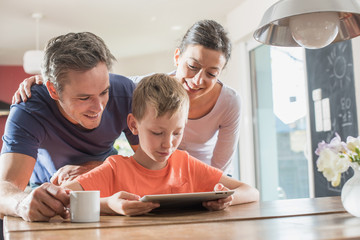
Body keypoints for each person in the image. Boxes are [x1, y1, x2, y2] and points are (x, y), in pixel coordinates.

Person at [14, 20, 240, 176]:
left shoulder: (229, 103)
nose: (199, 80)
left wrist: (211, 187)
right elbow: (98, 81)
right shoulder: (142, 89)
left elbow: (219, 168)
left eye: (211, 74)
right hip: (157, 170)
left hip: (199, 173)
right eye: (192, 66)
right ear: (177, 57)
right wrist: (46, 79)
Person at [63, 73, 259, 216]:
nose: (168, 144)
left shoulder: (185, 164)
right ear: (133, 125)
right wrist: (108, 205)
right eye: (157, 133)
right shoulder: (115, 169)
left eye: (177, 132)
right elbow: (63, 199)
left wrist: (227, 199)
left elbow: (251, 191)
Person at [0, 32, 138, 222]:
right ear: (53, 90)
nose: (99, 107)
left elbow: (155, 166)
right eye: (84, 97)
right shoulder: (29, 108)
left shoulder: (125, 92)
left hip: (109, 187)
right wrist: (21, 203)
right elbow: (4, 188)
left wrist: (98, 168)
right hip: (49, 196)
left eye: (104, 92)